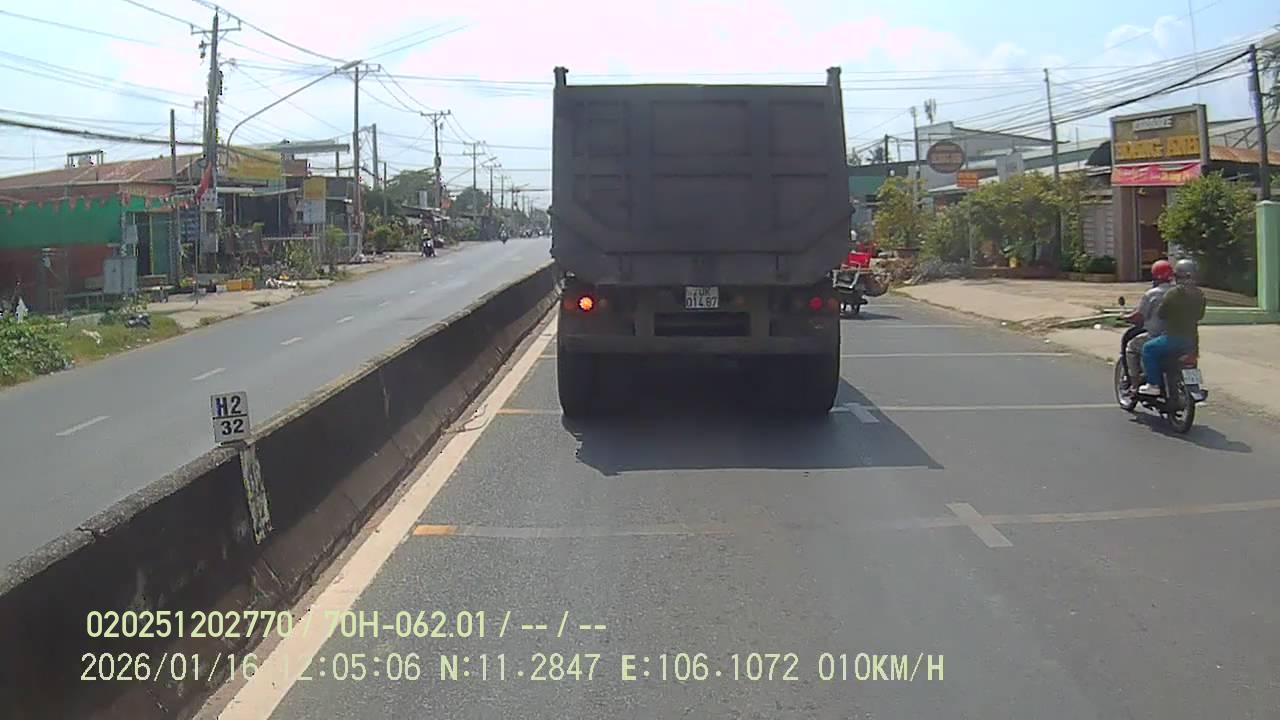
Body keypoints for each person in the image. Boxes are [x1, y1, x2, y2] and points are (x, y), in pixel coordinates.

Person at [1138, 258, 1206, 396]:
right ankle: (1195, 388)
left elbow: (1162, 313)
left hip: (1173, 337)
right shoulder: (1200, 294)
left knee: (1148, 348)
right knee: (1191, 362)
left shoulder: (1174, 293)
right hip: (1192, 340)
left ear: (1178, 275)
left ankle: (1153, 384)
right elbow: (1200, 315)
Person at [1124, 259, 1174, 384]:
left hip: (1156, 336)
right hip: (1180, 336)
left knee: (1131, 347)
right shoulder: (1178, 292)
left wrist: (1126, 318)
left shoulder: (1152, 294)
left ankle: (1135, 381)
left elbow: (1139, 316)